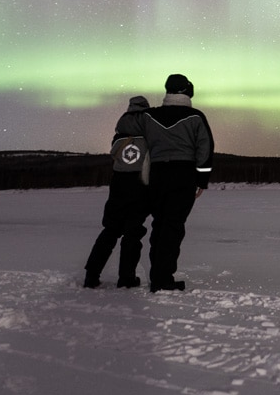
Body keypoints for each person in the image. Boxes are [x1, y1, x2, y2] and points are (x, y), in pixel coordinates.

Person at [138, 74, 214, 292]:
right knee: (172, 227)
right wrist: (202, 180)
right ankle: (163, 279)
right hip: (183, 175)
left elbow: (141, 144)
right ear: (188, 91)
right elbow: (205, 148)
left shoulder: (148, 116)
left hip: (157, 175)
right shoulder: (195, 117)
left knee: (160, 225)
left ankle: (158, 275)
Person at [84, 96, 152, 288]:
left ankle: (91, 275)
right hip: (140, 186)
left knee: (110, 230)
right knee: (133, 233)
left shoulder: (120, 132)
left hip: (118, 186)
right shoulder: (149, 133)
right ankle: (127, 278)